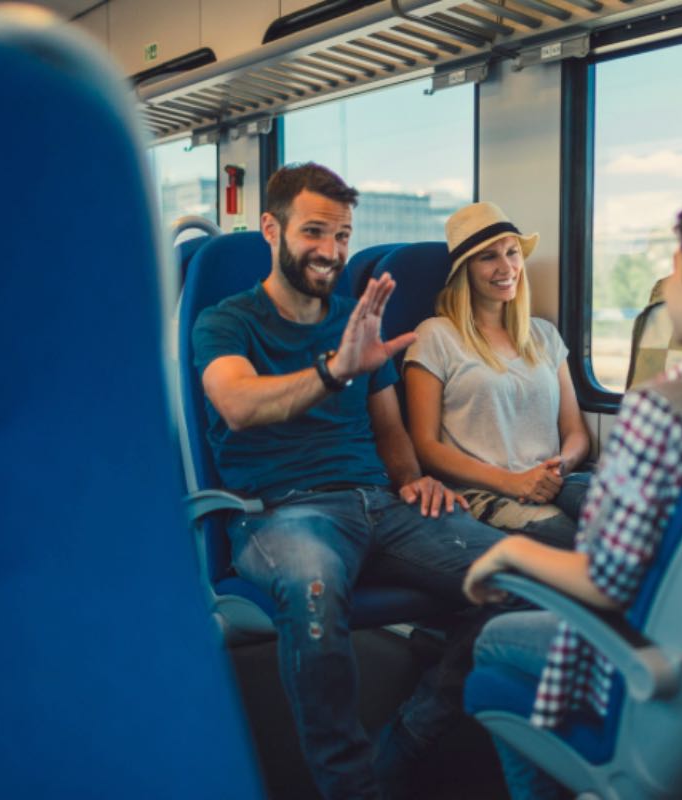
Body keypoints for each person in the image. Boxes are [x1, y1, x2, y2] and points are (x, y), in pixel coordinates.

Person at [192, 162, 504, 800]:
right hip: (281, 511)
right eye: (315, 232)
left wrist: (416, 482)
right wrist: (336, 369)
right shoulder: (226, 321)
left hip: (381, 505)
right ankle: (348, 786)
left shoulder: (354, 320)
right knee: (314, 591)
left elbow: (388, 427)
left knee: (521, 577)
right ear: (270, 229)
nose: (331, 252)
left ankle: (408, 738)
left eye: (342, 236)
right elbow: (238, 403)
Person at [461, 176, 682, 800]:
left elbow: (607, 583)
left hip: (665, 665)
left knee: (492, 644)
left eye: (675, 267)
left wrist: (507, 554)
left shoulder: (666, 409)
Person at [404, 201, 590, 549]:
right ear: (465, 270)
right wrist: (512, 482)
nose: (507, 267)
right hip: (486, 494)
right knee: (579, 545)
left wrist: (560, 465)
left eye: (512, 253)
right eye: (488, 257)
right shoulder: (435, 336)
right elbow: (425, 446)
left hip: (554, 481)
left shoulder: (544, 335)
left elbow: (575, 431)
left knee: (627, 524)